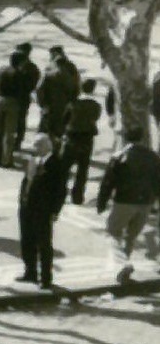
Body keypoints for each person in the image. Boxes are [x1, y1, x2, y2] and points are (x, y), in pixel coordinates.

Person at [96, 126, 160, 285]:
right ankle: (122, 273)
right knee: (130, 237)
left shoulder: (119, 156)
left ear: (125, 138)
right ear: (142, 138)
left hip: (124, 201)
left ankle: (122, 264)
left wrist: (101, 202)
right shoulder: (153, 157)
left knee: (112, 232)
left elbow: (108, 182)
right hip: (145, 202)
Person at [18, 134, 70, 290]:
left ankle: (45, 278)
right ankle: (30, 272)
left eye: (37, 146)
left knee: (43, 244)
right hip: (27, 207)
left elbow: (61, 190)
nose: (34, 149)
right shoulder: (34, 161)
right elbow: (27, 180)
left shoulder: (56, 163)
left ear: (46, 146)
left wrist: (55, 210)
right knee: (27, 240)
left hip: (43, 209)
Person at [61, 79, 104, 205]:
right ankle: (78, 196)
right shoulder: (95, 105)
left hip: (72, 137)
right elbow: (96, 117)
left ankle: (61, 193)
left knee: (65, 168)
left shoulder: (73, 103)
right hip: (87, 138)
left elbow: (65, 119)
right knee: (82, 170)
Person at [0, 51, 26, 168]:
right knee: (9, 133)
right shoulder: (19, 73)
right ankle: (6, 160)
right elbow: (21, 91)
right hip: (12, 102)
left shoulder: (1, 70)